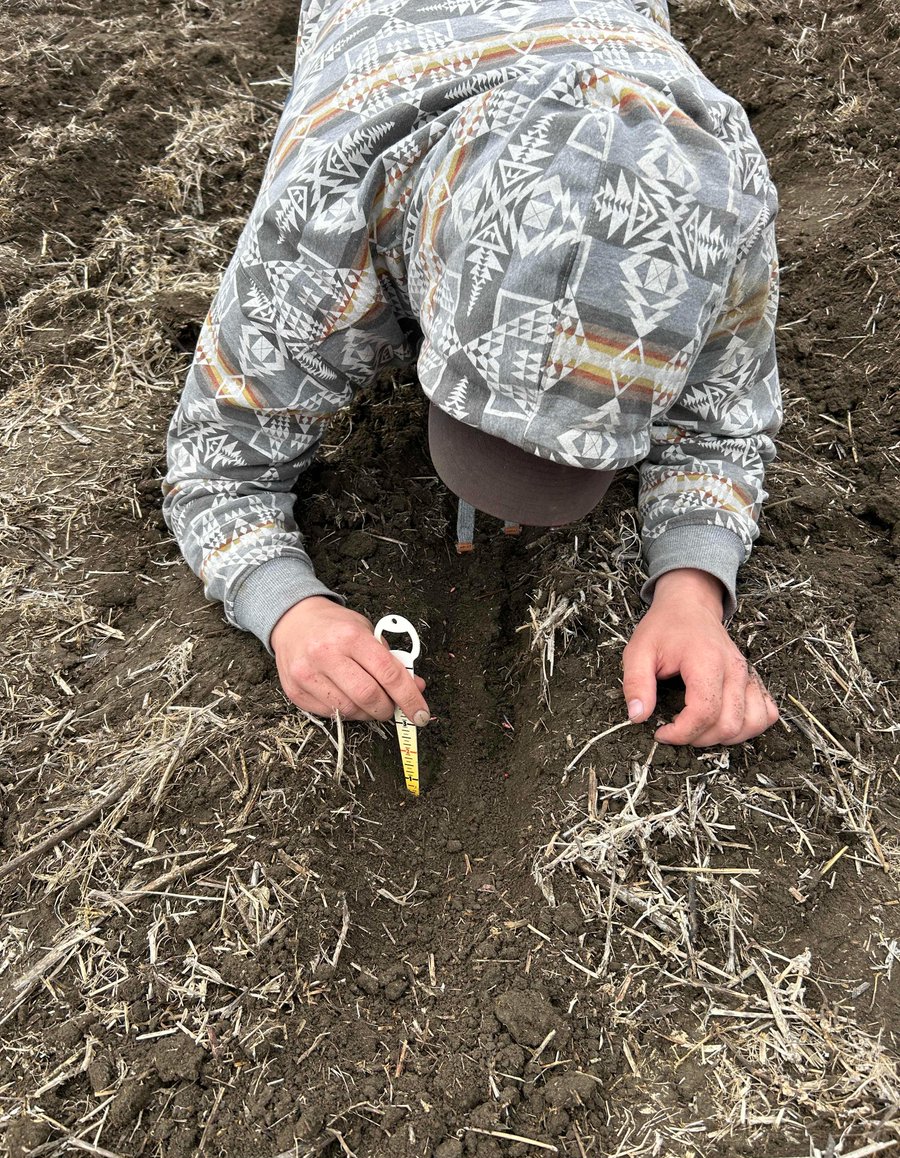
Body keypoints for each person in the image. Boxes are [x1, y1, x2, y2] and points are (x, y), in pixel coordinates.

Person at [163, 0, 782, 748]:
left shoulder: (725, 207)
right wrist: (290, 610)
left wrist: (694, 592)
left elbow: (721, 422)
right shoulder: (319, 226)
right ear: (425, 275)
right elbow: (218, 466)